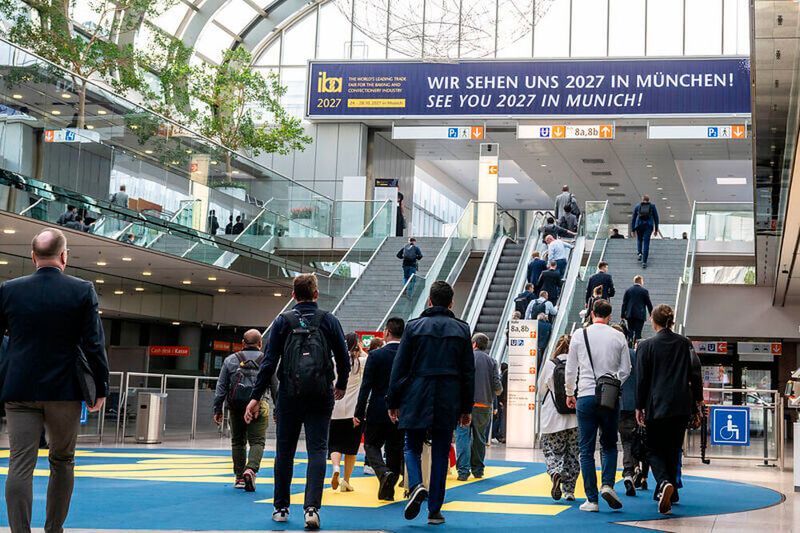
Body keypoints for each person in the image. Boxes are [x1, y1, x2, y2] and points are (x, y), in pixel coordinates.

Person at [0, 228, 109, 532]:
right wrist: (100, 387)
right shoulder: (82, 290)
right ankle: (53, 529)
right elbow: (94, 344)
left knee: (20, 463)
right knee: (62, 460)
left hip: (19, 389)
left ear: (33, 256)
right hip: (65, 390)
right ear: (64, 256)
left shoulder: (8, 289)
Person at [244, 273, 350, 530]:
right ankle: (312, 508)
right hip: (320, 394)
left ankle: (281, 507)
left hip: (290, 395)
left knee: (285, 452)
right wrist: (341, 384)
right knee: (316, 450)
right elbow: (344, 359)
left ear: (293, 294)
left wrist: (255, 397)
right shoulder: (329, 320)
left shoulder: (283, 321)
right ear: (316, 294)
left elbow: (268, 363)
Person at [386, 281, 474, 526]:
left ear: (429, 301)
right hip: (449, 395)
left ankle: (415, 485)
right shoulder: (461, 329)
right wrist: (466, 408)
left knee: (411, 445)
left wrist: (393, 401)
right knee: (440, 453)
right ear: (451, 303)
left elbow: (399, 367)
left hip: (417, 393)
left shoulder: (414, 328)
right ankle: (435, 511)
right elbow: (468, 372)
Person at [635, 305, 703, 515]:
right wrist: (698, 403)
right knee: (673, 449)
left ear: (652, 321)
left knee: (653, 448)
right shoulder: (685, 343)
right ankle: (672, 493)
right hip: (681, 405)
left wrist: (639, 406)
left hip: (656, 404)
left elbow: (642, 379)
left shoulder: (647, 346)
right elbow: (695, 373)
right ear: (671, 322)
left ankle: (664, 482)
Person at [565, 299, 631, 512]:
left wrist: (569, 392)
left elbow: (570, 368)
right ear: (610, 316)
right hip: (610, 398)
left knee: (586, 449)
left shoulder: (579, 335)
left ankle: (591, 500)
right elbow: (626, 369)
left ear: (592, 313)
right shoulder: (619, 335)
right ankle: (608, 485)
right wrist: (614, 383)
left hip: (584, 395)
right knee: (610, 444)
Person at [213, 329, 276, 492]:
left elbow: (221, 387)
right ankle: (251, 469)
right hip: (259, 405)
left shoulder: (230, 360)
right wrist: (279, 410)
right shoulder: (267, 361)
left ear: (243, 343)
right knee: (257, 441)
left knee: (238, 441)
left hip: (236, 406)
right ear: (260, 343)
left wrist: (217, 409)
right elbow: (276, 386)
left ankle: (240, 477)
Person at [355, 318, 405, 501]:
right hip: (401, 409)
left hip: (377, 407)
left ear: (386, 332)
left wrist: (359, 412)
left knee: (371, 445)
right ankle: (387, 489)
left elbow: (366, 386)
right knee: (394, 449)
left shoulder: (376, 356)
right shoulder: (408, 355)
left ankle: (383, 473)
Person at [455, 333, 502, 482]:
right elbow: (498, 388)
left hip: (465, 405)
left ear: (474, 344)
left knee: (463, 436)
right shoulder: (492, 361)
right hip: (484, 405)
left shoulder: (464, 359)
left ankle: (463, 471)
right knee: (480, 438)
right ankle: (478, 469)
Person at [538, 334, 579, 502]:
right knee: (573, 455)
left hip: (553, 418)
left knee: (552, 451)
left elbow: (541, 389)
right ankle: (569, 491)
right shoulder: (579, 364)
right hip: (575, 418)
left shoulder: (550, 364)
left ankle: (555, 472)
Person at [329, 333, 366, 493]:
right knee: (351, 447)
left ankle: (335, 467)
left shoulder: (334, 361)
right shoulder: (362, 362)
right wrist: (361, 350)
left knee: (335, 444)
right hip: (354, 411)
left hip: (335, 409)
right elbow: (368, 356)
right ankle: (346, 480)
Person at [615, 328, 647, 497]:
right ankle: (631, 470)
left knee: (613, 442)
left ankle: (624, 473)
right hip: (632, 403)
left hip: (612, 403)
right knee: (630, 440)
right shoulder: (634, 354)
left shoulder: (609, 354)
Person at [621, 275, 654, 343]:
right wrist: (652, 314)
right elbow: (649, 304)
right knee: (638, 333)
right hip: (640, 315)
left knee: (630, 331)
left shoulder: (628, 290)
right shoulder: (644, 291)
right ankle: (637, 347)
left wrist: (622, 314)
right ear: (641, 281)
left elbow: (624, 303)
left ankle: (629, 345)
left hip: (630, 314)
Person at [631, 195, 660, 269]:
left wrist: (633, 230)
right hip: (648, 226)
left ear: (642, 199)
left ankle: (640, 253)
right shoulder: (652, 206)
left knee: (639, 240)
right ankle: (644, 262)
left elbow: (633, 218)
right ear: (648, 199)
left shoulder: (638, 206)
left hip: (639, 225)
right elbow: (656, 218)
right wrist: (656, 229)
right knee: (646, 243)